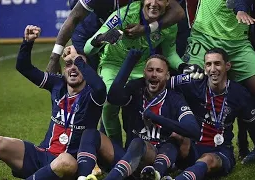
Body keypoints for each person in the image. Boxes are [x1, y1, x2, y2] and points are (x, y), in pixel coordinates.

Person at [0, 25, 106, 180]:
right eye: (68, 64)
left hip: (70, 165)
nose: (72, 68)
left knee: (65, 161)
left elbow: (100, 87)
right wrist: (27, 42)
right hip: (43, 154)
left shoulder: (93, 94)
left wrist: (76, 58)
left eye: (78, 64)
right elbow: (23, 67)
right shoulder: (58, 83)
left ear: (86, 69)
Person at [83, 0, 195, 144]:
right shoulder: (123, 16)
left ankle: (147, 146)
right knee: (110, 104)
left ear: (167, 3)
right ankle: (114, 149)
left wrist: (182, 67)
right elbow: (87, 49)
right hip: (113, 65)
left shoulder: (168, 25)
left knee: (145, 105)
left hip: (140, 67)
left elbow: (170, 53)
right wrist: (101, 39)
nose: (154, 3)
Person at [76, 50, 200, 180]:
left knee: (139, 142)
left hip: (156, 157)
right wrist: (130, 60)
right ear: (144, 73)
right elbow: (113, 97)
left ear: (167, 75)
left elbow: (194, 130)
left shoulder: (175, 99)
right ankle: (83, 177)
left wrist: (156, 118)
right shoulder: (135, 92)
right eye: (150, 70)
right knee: (91, 134)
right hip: (129, 158)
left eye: (159, 71)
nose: (154, 74)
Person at [165, 48, 255, 179]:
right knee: (176, 134)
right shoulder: (193, 83)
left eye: (217, 64)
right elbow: (161, 84)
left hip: (220, 150)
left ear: (227, 66)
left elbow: (252, 124)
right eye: (208, 64)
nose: (212, 69)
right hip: (192, 147)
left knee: (208, 160)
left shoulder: (239, 94)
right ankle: (156, 170)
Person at [46, 0, 185, 74]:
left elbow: (178, 12)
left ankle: (104, 127)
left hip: (121, 34)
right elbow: (73, 18)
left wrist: (146, 29)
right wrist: (54, 58)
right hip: (89, 31)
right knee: (88, 80)